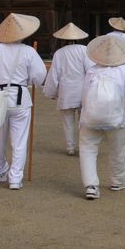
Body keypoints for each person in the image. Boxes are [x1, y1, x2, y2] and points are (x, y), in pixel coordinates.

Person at [78, 35, 125, 200]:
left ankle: (91, 185)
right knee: (117, 149)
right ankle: (118, 181)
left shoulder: (92, 70)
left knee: (88, 149)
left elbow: (84, 95)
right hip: (115, 117)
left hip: (90, 117)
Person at [0, 13, 47, 190]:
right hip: (20, 99)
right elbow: (39, 77)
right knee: (19, 140)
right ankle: (15, 178)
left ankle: (1, 171)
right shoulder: (29, 52)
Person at [43, 23, 93, 156]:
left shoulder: (59, 53)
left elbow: (54, 74)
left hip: (66, 91)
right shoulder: (84, 50)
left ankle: (70, 147)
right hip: (83, 89)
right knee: (84, 120)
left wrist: (52, 92)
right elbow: (90, 71)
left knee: (68, 120)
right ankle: (84, 145)